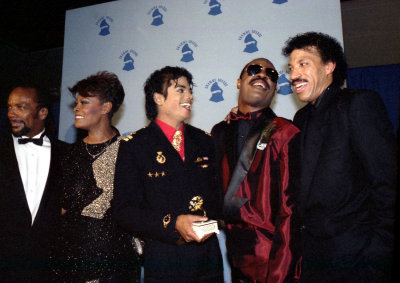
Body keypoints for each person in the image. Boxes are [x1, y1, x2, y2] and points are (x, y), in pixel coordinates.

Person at [282, 31, 397, 282]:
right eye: (291, 67)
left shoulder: (359, 104)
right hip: (313, 261)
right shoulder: (301, 119)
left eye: (303, 64)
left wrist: (375, 260)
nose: (293, 75)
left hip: (357, 261)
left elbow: (388, 185)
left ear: (329, 67)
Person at [113, 66, 223, 283]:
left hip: (208, 259)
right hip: (165, 260)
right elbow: (124, 211)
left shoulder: (205, 141)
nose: (189, 96)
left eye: (190, 91)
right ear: (158, 98)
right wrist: (173, 223)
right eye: (180, 90)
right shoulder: (134, 146)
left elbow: (218, 195)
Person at [212, 58, 300, 283]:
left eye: (271, 74)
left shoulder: (284, 132)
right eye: (254, 70)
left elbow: (290, 211)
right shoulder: (219, 131)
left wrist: (280, 274)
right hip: (234, 256)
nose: (263, 75)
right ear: (239, 82)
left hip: (273, 258)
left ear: (275, 90)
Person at [56, 71, 140, 282]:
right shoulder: (67, 155)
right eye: (76, 103)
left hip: (117, 268)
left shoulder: (130, 152)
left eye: (84, 102)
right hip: (70, 265)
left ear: (106, 107)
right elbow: (59, 209)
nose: (76, 108)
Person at [0, 83, 67, 282]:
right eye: (10, 106)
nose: (11, 113)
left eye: (20, 107)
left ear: (43, 112)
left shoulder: (67, 154)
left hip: (47, 269)